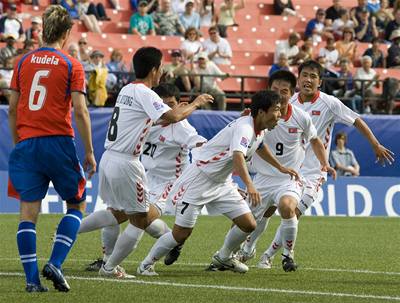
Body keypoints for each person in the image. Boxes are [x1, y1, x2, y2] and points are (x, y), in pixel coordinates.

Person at [137, 90, 298, 275]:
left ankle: (224, 256)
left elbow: (259, 146)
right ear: (261, 112)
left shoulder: (259, 129)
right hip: (199, 179)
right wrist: (250, 184)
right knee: (181, 234)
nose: (280, 114)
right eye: (276, 110)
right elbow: (237, 155)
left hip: (221, 183)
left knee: (249, 224)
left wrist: (281, 168)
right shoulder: (245, 127)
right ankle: (146, 264)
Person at [251, 60, 393, 268]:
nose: (308, 80)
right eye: (305, 75)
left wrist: (375, 144)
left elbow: (357, 120)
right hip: (290, 170)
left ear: (320, 82)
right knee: (268, 210)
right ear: (298, 79)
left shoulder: (329, 103)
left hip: (315, 171)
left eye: (313, 76)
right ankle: (250, 248)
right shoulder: (286, 102)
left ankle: (270, 255)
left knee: (293, 212)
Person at [87, 46, 212, 279]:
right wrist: (196, 103)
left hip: (113, 159)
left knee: (120, 213)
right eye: (161, 67)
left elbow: (189, 135)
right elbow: (173, 115)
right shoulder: (147, 96)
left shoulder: (126, 89)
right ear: (155, 69)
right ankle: (110, 266)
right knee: (137, 220)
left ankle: (70, 234)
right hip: (128, 163)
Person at [8, 5, 96, 292]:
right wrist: (89, 152)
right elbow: (81, 111)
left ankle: (32, 281)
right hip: (58, 141)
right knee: (77, 204)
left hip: (27, 143)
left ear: (43, 30)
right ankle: (55, 263)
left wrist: (18, 142)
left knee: (27, 212)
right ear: (67, 32)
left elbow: (12, 109)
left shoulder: (21, 62)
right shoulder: (72, 64)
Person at [233, 70, 336, 272]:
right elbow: (253, 142)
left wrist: (324, 163)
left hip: (289, 178)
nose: (279, 95)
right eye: (275, 90)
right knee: (250, 220)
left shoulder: (301, 117)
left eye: (284, 91)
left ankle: (287, 255)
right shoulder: (259, 114)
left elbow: (315, 140)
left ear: (291, 93)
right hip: (263, 177)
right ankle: (241, 251)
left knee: (287, 208)